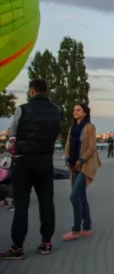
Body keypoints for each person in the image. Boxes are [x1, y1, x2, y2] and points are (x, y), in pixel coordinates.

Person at [0, 79, 62, 259]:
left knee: (21, 205)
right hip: (45, 162)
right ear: (46, 91)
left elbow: (13, 136)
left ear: (32, 92)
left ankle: (17, 247)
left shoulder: (22, 109)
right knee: (46, 203)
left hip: (24, 162)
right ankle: (46, 243)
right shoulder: (57, 111)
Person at [62, 103, 102, 241]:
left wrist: (81, 160)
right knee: (81, 196)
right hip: (74, 166)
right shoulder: (72, 128)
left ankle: (76, 230)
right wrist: (67, 159)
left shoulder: (89, 127)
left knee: (74, 196)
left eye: (78, 110)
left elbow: (91, 148)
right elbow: (67, 144)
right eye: (73, 110)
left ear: (85, 112)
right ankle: (87, 227)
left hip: (84, 166)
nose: (75, 112)